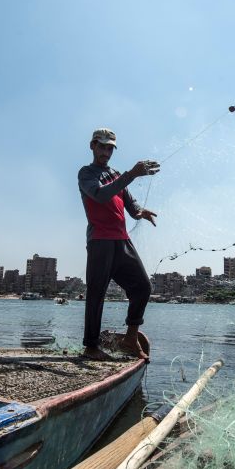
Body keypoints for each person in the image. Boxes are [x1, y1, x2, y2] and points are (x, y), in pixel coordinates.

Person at [78, 128, 159, 361]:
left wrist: (141, 212)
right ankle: (91, 347)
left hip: (122, 242)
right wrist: (131, 174)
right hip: (100, 242)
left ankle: (130, 339)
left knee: (142, 288)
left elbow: (131, 207)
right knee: (96, 293)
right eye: (101, 146)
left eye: (110, 147)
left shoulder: (115, 174)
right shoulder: (86, 173)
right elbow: (100, 195)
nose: (105, 151)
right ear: (92, 146)